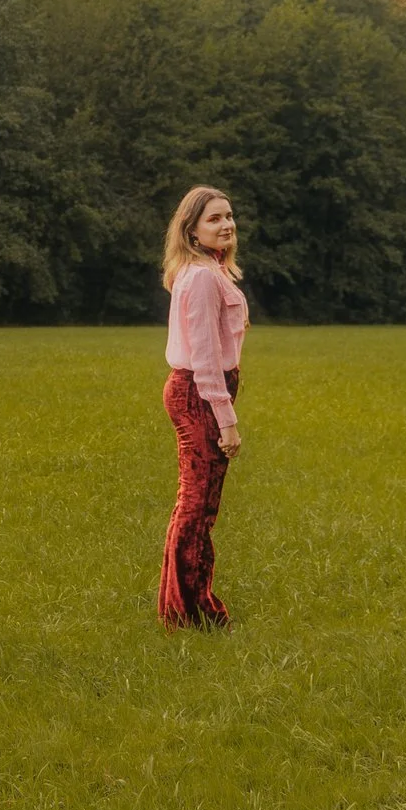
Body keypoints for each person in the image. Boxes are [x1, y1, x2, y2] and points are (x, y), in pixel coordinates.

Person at [159, 185, 249, 629]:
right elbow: (207, 359)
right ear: (192, 230)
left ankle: (183, 607)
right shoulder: (200, 278)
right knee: (196, 505)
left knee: (199, 504)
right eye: (214, 219)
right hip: (199, 393)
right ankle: (190, 611)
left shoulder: (211, 272)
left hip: (204, 392)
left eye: (229, 216)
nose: (226, 224)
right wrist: (227, 422)